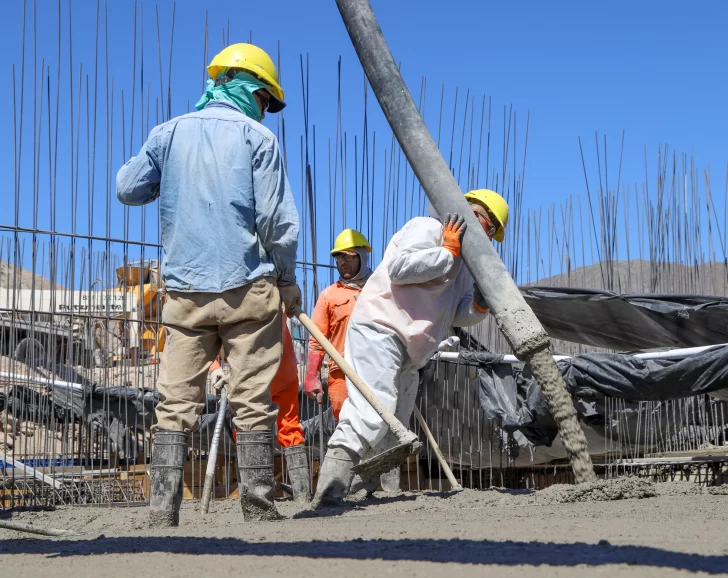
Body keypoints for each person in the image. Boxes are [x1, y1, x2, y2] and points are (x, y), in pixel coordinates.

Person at [116, 43, 300, 526]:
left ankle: (161, 513)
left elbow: (127, 189)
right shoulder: (258, 139)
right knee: (252, 399)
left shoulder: (168, 134)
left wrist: (167, 167)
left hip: (186, 294)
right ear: (251, 88)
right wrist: (287, 280)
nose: (266, 111)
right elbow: (276, 223)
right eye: (266, 100)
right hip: (249, 290)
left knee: (174, 403)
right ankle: (258, 508)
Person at [312, 189, 509, 507]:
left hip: (412, 349)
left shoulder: (464, 265)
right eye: (489, 230)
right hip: (381, 329)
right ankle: (330, 492)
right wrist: (446, 254)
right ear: (474, 217)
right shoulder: (427, 228)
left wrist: (479, 305)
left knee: (395, 423)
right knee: (372, 410)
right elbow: (400, 269)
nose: (487, 239)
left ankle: (363, 490)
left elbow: (454, 312)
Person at [209, 316, 310, 503]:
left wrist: (214, 366)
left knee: (247, 430)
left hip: (255, 379)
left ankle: (254, 497)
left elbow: (207, 335)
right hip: (279, 373)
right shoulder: (275, 293)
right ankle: (303, 496)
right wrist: (215, 367)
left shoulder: (230, 300)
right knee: (290, 429)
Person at [304, 229, 373, 420]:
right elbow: (317, 340)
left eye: (348, 257)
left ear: (362, 257)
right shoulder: (329, 295)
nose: (342, 262)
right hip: (341, 373)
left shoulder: (380, 289)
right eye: (339, 258)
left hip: (376, 369)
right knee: (346, 426)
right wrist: (312, 375)